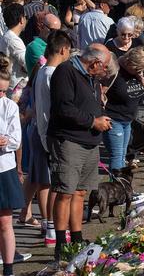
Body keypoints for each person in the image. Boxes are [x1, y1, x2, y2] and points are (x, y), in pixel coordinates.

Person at [48, 44, 113, 261]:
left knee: (80, 193)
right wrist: (93, 121)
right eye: (103, 67)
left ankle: (76, 239)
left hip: (89, 142)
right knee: (65, 192)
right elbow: (64, 107)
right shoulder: (66, 72)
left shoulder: (91, 77)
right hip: (69, 141)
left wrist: (101, 117)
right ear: (94, 63)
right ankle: (60, 243)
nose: (104, 71)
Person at [33, 30, 72, 248]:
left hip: (43, 129)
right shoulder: (51, 73)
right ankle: (53, 229)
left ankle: (50, 227)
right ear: (63, 49)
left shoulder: (42, 71)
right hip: (51, 132)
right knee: (58, 184)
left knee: (49, 182)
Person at [0, 54, 30, 276]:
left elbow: (16, 140)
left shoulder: (9, 106)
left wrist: (5, 142)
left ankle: (9, 268)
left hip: (4, 168)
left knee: (5, 221)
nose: (1, 95)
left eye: (3, 91)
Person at [103, 47, 144, 171]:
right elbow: (101, 94)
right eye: (137, 69)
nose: (140, 71)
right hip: (113, 119)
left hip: (127, 120)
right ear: (129, 63)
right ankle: (116, 186)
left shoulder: (137, 74)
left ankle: (120, 187)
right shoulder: (114, 72)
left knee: (123, 156)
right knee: (117, 156)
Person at [0, 3, 28, 99]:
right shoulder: (12, 39)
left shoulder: (8, 36)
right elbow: (27, 63)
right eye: (25, 17)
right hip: (15, 90)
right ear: (21, 19)